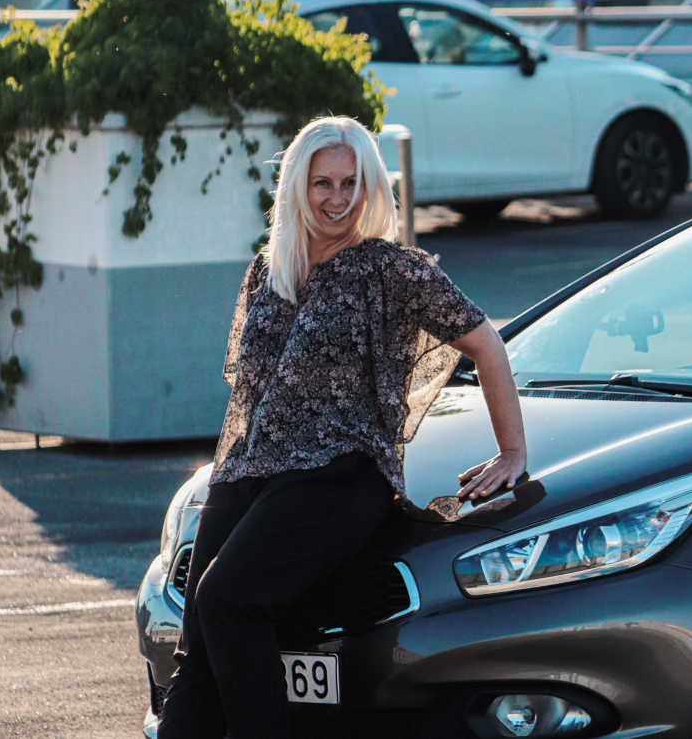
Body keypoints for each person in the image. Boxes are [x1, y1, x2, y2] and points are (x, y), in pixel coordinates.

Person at [157, 116, 526, 739]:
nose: (337, 198)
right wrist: (228, 475)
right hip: (248, 470)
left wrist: (511, 450)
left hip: (339, 473)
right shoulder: (269, 270)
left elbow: (487, 344)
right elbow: (250, 392)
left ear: (369, 186)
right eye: (322, 183)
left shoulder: (390, 269)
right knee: (199, 646)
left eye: (350, 183)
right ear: (297, 188)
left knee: (227, 599)